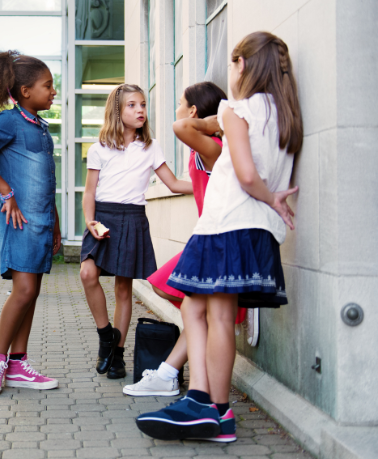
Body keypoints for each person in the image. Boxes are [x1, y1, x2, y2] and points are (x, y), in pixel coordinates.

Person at [136, 31, 302, 442]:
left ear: (242, 65)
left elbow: (246, 175)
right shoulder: (285, 117)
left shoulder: (238, 110)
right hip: (255, 230)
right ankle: (209, 407)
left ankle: (211, 407)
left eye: (232, 64)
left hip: (227, 223)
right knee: (201, 309)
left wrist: (271, 197)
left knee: (209, 313)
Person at [123, 82, 250, 400]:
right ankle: (169, 374)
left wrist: (215, 119)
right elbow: (190, 187)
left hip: (218, 238)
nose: (177, 109)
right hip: (208, 237)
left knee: (170, 287)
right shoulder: (202, 152)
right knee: (174, 293)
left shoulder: (212, 146)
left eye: (181, 103)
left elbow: (181, 126)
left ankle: (176, 379)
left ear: (194, 112)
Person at [80, 84, 193, 380]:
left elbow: (174, 184)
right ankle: (106, 335)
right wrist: (90, 221)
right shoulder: (99, 148)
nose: (140, 109)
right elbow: (89, 192)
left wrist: (211, 183)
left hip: (132, 218)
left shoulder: (151, 147)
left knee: (123, 288)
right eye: (132, 105)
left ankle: (116, 354)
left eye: (142, 104)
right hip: (103, 217)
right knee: (87, 274)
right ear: (117, 111)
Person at [0, 50, 61, 396]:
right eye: (47, 86)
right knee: (23, 291)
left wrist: (55, 223)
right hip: (18, 222)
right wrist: (6, 191)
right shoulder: (9, 122)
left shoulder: (41, 126)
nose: (53, 92)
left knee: (32, 292)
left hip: (40, 223)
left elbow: (45, 180)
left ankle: (18, 364)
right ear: (25, 92)